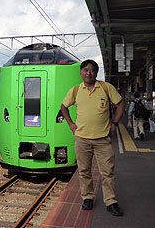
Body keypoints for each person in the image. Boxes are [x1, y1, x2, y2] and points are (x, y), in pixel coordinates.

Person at [60, 59, 125, 217]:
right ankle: (87, 197)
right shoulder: (76, 90)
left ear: (96, 73)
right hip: (82, 139)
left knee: (108, 172)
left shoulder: (105, 87)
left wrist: (115, 123)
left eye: (92, 70)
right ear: (81, 73)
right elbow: (63, 106)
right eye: (85, 70)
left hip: (103, 139)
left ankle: (110, 201)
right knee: (84, 171)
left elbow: (121, 103)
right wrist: (70, 124)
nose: (88, 73)